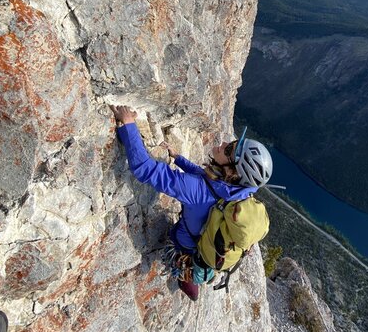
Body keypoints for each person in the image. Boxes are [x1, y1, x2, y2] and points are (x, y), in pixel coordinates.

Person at [110, 105, 273, 301]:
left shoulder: (197, 191)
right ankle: (198, 271)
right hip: (204, 243)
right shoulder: (237, 193)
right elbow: (206, 178)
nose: (223, 143)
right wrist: (178, 159)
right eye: (231, 143)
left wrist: (128, 124)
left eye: (229, 149)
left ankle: (188, 278)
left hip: (184, 249)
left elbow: (145, 169)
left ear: (232, 171)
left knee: (185, 269)